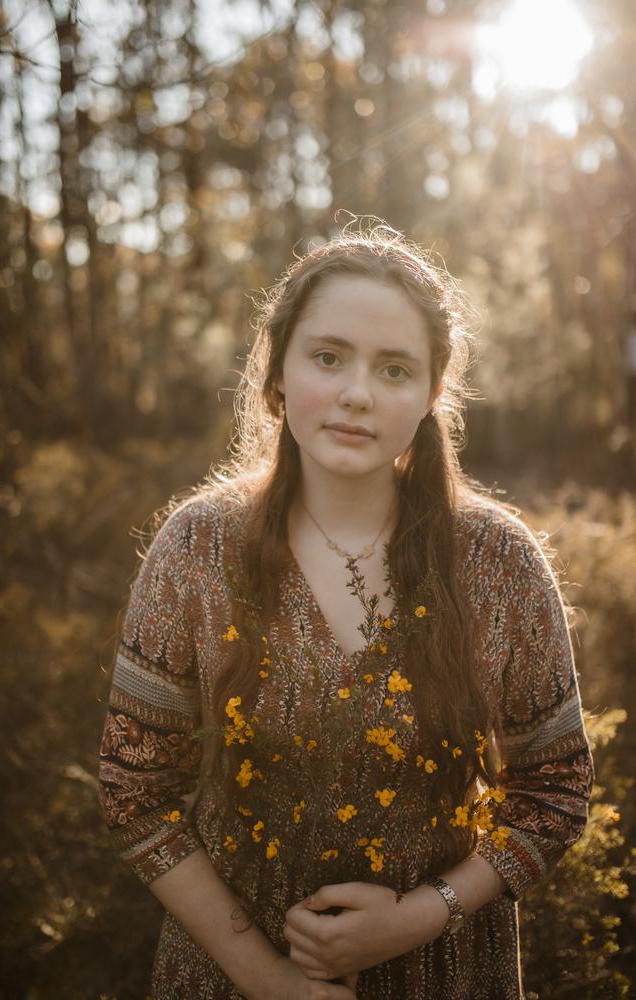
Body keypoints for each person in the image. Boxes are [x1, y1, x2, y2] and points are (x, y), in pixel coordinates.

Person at [98, 218, 594, 999]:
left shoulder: (498, 564)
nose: (357, 394)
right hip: (230, 975)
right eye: (328, 357)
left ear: (432, 394)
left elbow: (556, 788)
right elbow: (134, 791)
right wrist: (267, 977)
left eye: (394, 369)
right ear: (279, 373)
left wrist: (423, 914)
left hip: (449, 971)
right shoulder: (197, 549)